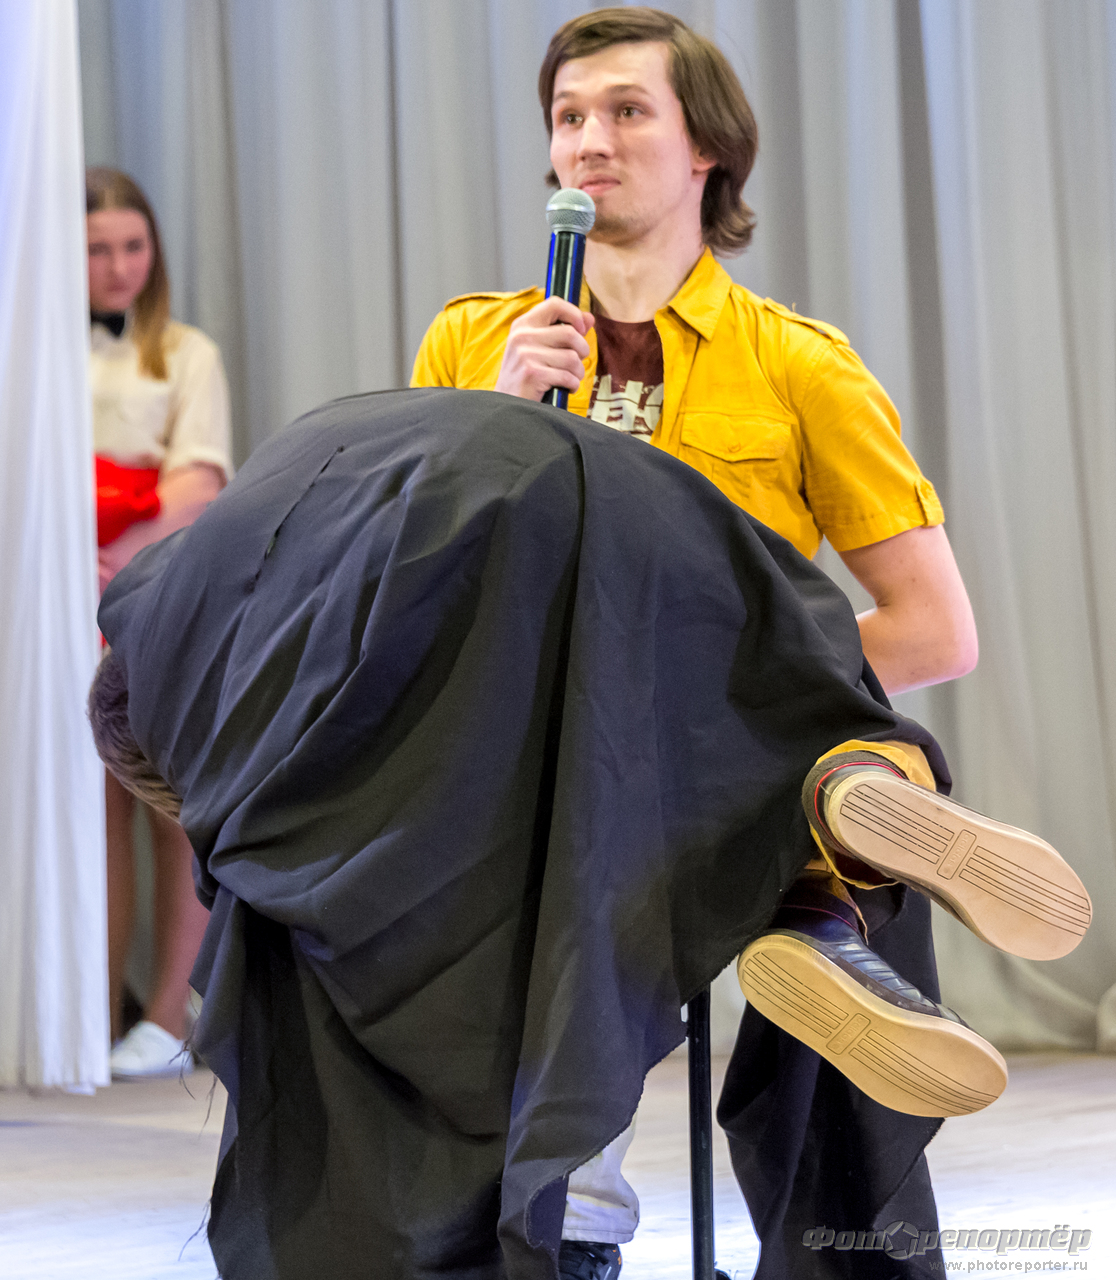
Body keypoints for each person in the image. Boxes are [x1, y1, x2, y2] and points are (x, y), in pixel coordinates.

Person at [88, 389, 1087, 1280]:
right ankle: (826, 892)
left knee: (510, 903)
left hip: (461, 572)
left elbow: (275, 841)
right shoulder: (227, 549)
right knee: (781, 724)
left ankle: (570, 1220)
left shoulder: (194, 696)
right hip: (619, 491)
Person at [408, 11, 1087, 1277]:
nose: (588, 141)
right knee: (656, 805)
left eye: (626, 111)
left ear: (707, 147)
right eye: (568, 116)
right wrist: (496, 419)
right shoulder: (471, 347)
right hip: (535, 760)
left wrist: (727, 701)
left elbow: (936, 625)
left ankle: (820, 911)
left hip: (722, 761)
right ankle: (821, 917)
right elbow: (416, 597)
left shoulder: (798, 366)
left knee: (842, 734)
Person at [86, 167, 233, 1078]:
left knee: (165, 799)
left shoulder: (187, 353)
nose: (118, 267)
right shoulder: (36, 353)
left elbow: (199, 481)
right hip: (55, 600)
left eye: (133, 246)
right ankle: (92, 1010)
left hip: (149, 592)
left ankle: (173, 1015)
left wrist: (113, 554)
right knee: (87, 811)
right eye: (97, 250)